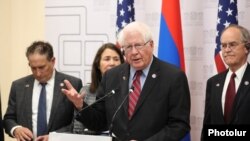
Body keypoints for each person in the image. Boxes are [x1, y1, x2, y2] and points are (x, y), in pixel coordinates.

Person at [62, 21, 191, 141]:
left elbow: (179, 125)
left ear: (151, 45)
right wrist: (80, 105)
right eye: (128, 47)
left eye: (138, 45)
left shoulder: (173, 77)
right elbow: (100, 122)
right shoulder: (111, 76)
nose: (134, 52)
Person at [4, 41, 83, 141]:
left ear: (53, 61)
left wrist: (55, 137)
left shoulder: (72, 84)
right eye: (33, 68)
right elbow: (8, 119)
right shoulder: (18, 86)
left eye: (42, 67)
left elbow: (78, 123)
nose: (38, 73)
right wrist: (16, 129)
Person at [201, 24, 250, 139]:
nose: (227, 50)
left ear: (246, 48)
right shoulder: (213, 83)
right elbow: (208, 124)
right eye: (223, 46)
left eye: (232, 45)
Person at [72, 42, 124, 134]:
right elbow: (78, 129)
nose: (112, 63)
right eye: (107, 59)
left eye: (116, 59)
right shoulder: (86, 91)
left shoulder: (128, 90)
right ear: (98, 65)